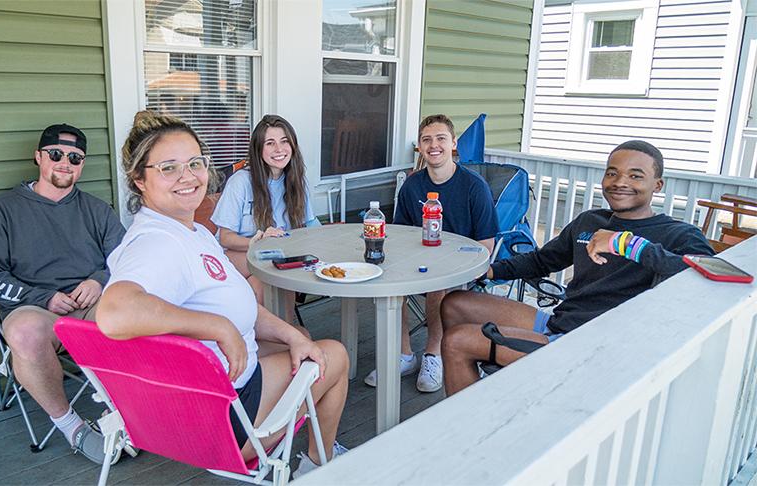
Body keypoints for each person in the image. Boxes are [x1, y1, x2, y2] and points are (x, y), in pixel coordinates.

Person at [96, 111, 349, 477]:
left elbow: (238, 304)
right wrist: (218, 327)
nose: (188, 176)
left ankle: (315, 443)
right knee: (334, 356)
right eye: (168, 168)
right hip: (225, 419)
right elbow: (115, 313)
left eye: (195, 163)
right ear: (139, 180)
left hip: (207, 397)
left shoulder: (191, 232)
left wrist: (291, 334)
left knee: (303, 342)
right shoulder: (156, 242)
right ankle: (317, 466)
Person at [440, 140, 715, 396]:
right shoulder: (590, 221)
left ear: (658, 185)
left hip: (591, 346)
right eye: (612, 173)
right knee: (455, 303)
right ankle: (481, 388)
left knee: (457, 341)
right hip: (561, 322)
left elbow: (708, 275)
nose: (620, 182)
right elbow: (542, 261)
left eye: (635, 175)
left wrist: (625, 243)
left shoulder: (677, 234)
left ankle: (467, 423)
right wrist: (489, 271)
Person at [0, 124, 126, 463]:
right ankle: (73, 427)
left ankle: (135, 416)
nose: (64, 162)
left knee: (138, 314)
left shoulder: (98, 210)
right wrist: (43, 297)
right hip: (35, 309)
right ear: (38, 157)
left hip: (92, 304)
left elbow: (129, 260)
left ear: (82, 164)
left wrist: (99, 279)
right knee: (24, 334)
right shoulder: (3, 209)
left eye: (75, 157)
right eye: (55, 154)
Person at [363, 114, 499, 393]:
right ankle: (404, 356)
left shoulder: (474, 187)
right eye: (427, 140)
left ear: (453, 144)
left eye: (440, 139)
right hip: (419, 261)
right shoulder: (413, 185)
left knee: (437, 284)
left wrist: (453, 264)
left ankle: (432, 355)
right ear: (420, 147)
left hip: (462, 268)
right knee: (388, 280)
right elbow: (399, 235)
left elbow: (486, 245)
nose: (433, 145)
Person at [211, 114, 320, 324]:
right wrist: (257, 241)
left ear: (293, 146)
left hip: (275, 257)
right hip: (239, 254)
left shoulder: (296, 181)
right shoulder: (241, 182)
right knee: (273, 277)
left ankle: (279, 340)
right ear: (258, 149)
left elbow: (311, 225)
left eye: (284, 141)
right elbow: (225, 238)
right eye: (270, 143)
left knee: (264, 285)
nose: (279, 149)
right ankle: (281, 339)